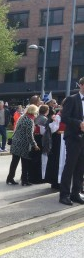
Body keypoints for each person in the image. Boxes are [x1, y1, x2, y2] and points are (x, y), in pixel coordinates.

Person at [58, 77, 84, 205]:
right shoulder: (72, 99)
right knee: (70, 166)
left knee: (80, 168)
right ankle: (64, 195)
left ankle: (76, 193)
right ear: (80, 85)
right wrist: (79, 123)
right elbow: (65, 118)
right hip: (73, 137)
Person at [6, 104, 40, 186]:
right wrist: (35, 145)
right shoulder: (30, 120)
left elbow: (16, 129)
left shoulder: (22, 117)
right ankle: (24, 180)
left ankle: (10, 178)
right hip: (23, 144)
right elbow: (29, 135)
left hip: (16, 142)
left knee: (14, 162)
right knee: (25, 163)